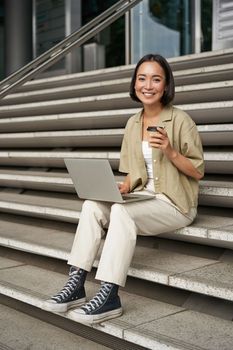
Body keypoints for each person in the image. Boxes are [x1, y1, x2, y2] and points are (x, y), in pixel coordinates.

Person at [42, 53, 204, 325]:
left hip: (175, 203)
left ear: (166, 86)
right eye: (142, 78)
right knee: (92, 206)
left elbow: (198, 171)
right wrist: (121, 187)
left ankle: (109, 295)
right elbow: (131, 174)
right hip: (143, 197)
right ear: (134, 83)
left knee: (121, 213)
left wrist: (170, 150)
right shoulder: (133, 123)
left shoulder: (180, 121)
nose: (148, 85)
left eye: (156, 79)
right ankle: (77, 284)